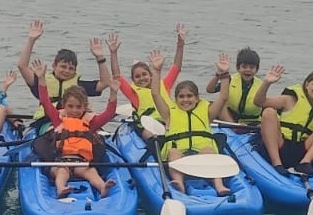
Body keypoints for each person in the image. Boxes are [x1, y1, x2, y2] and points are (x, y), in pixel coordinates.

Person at [148, 50, 234, 197]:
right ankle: (179, 183)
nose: (185, 100)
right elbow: (155, 94)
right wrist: (156, 71)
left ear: (197, 98)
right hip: (180, 157)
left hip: (201, 155)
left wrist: (224, 75)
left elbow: (223, 97)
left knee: (208, 150)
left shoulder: (207, 112)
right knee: (173, 152)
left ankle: (219, 185)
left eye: (190, 96)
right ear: (176, 99)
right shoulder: (169, 113)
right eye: (181, 97)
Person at [30, 66, 118, 200]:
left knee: (91, 172)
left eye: (78, 107)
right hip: (61, 162)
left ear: (84, 107)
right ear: (64, 105)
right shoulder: (58, 119)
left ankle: (102, 187)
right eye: (70, 106)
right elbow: (45, 102)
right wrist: (41, 79)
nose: (74, 111)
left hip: (81, 163)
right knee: (61, 172)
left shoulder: (91, 122)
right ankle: (61, 188)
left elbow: (109, 114)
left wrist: (113, 93)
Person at [253, 66, 313, 171]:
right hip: (280, 145)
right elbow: (259, 102)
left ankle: (305, 163)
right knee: (269, 112)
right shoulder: (289, 99)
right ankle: (276, 163)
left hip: (303, 151)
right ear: (307, 84)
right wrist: (267, 83)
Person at [17, 21, 107, 111]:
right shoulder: (41, 81)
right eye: (63, 67)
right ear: (54, 66)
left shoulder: (79, 87)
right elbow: (22, 66)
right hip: (46, 118)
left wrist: (100, 57)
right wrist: (31, 40)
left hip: (70, 117)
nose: (67, 71)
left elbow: (104, 83)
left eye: (71, 68)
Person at [108, 25, 186, 124]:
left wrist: (180, 44)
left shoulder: (164, 85)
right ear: (133, 80)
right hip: (149, 126)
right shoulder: (133, 94)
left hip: (170, 122)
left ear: (151, 75)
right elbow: (117, 76)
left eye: (144, 74)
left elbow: (176, 67)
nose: (141, 78)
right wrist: (113, 53)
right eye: (137, 76)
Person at [205, 48, 263, 124]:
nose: (248, 70)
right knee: (220, 104)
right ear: (238, 68)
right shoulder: (230, 79)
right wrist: (218, 75)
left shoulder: (261, 85)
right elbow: (210, 90)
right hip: (230, 118)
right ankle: (235, 126)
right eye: (244, 67)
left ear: (257, 69)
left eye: (251, 67)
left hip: (252, 121)